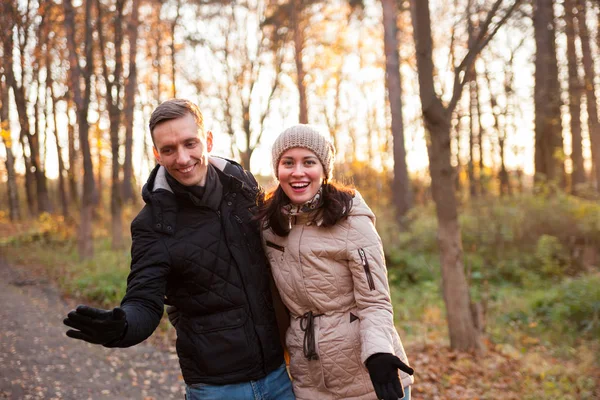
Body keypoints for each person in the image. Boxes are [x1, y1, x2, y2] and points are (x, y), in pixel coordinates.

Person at [63, 99, 295, 400]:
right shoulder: (153, 224)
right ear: (157, 154)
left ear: (208, 140)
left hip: (279, 375)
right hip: (216, 388)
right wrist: (122, 327)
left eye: (190, 143)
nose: (183, 158)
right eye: (169, 149)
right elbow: (144, 301)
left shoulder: (242, 186)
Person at [258, 124, 414, 400]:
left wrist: (378, 352)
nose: (298, 172)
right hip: (309, 379)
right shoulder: (270, 225)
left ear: (324, 169)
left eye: (309, 162)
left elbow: (375, 301)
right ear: (277, 170)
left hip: (369, 375)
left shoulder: (353, 221)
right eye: (288, 163)